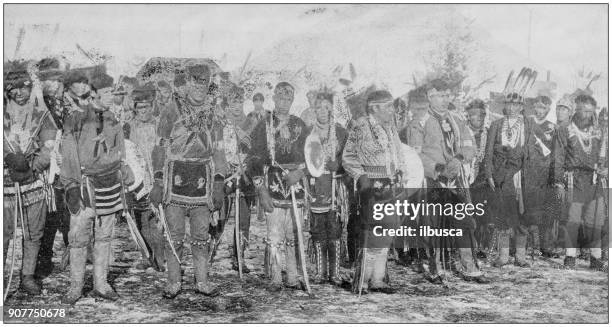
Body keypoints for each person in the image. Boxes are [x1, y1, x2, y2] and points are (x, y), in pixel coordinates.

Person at [150, 63, 227, 299]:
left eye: (204, 84)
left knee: (201, 235)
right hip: (176, 180)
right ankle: (173, 282)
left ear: (208, 86)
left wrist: (219, 183)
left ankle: (202, 281)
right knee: (174, 235)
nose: (199, 89)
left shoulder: (215, 114)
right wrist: (158, 180)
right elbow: (159, 147)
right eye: (195, 83)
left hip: (202, 182)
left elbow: (219, 151)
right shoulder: (171, 110)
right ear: (188, 84)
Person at [60, 68, 131, 304]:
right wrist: (70, 186)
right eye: (107, 91)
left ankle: (101, 283)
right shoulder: (76, 119)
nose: (112, 95)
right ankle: (75, 288)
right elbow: (69, 154)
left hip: (109, 185)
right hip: (84, 187)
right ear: (94, 93)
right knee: (79, 238)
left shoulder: (113, 119)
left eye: (113, 91)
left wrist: (122, 174)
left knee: (104, 236)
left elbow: (121, 151)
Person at [408, 79, 488, 284]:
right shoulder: (419, 122)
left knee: (464, 221)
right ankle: (435, 268)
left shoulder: (457, 120)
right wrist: (438, 168)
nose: (445, 100)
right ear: (430, 97)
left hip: (457, 178)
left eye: (447, 95)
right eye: (440, 96)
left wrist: (460, 158)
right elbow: (415, 155)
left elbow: (470, 146)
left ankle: (469, 266)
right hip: (433, 180)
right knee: (433, 224)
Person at [246, 81, 309, 292]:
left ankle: (292, 275)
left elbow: (312, 155)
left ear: (292, 100)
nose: (284, 102)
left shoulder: (300, 124)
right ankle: (275, 275)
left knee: (293, 232)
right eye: (280, 98)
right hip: (273, 182)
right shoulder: (264, 125)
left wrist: (300, 172)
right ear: (274, 99)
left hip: (296, 185)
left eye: (288, 98)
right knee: (274, 233)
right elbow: (253, 159)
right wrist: (260, 188)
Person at [342, 90, 406, 293]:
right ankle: (362, 279)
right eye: (387, 106)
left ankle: (377, 279)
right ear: (374, 108)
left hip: (391, 185)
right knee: (370, 232)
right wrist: (361, 176)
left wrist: (401, 173)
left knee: (386, 231)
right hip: (371, 186)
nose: (392, 110)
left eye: (392, 106)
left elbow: (398, 153)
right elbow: (348, 155)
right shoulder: (361, 126)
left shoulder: (391, 127)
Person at [4, 60, 57, 295]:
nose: (19, 93)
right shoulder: (2, 115)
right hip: (5, 184)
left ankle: (27, 277)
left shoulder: (41, 114)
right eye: (13, 89)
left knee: (33, 232)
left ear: (30, 87)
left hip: (33, 182)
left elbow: (50, 146)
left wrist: (34, 166)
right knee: (3, 232)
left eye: (24, 88)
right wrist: (7, 159)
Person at [552, 94, 607, 271]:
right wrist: (558, 182)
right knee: (572, 219)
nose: (587, 115)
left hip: (593, 179)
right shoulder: (565, 129)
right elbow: (558, 158)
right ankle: (570, 257)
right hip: (572, 179)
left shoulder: (599, 131)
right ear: (576, 109)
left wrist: (605, 168)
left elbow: (604, 156)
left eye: (591, 112)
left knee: (595, 219)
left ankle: (596, 258)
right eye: (584, 110)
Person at [484, 90, 534, 269]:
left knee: (521, 215)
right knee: (503, 215)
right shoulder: (497, 124)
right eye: (509, 104)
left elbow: (531, 152)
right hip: (500, 175)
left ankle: (520, 256)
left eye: (517, 105)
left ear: (522, 107)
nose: (512, 108)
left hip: (520, 175)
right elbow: (488, 151)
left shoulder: (528, 124)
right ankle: (503, 255)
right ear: (505, 106)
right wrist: (489, 174)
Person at [33, 58, 72, 278]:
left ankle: (72, 258)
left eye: (56, 79)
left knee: (67, 215)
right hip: (45, 170)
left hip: (65, 169)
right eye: (48, 79)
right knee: (47, 218)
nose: (54, 84)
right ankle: (42, 261)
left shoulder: (65, 104)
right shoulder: (38, 105)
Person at [307, 90, 348, 285]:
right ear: (314, 109)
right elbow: (304, 158)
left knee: (334, 227)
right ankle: (320, 272)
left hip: (335, 185)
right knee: (317, 228)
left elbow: (349, 156)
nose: (322, 111)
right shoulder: (309, 132)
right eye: (318, 107)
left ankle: (335, 272)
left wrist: (338, 164)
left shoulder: (340, 132)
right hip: (316, 186)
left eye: (326, 107)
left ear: (331, 109)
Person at [124, 84, 165, 271]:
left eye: (146, 107)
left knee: (158, 218)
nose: (143, 111)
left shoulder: (160, 125)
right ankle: (145, 255)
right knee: (141, 216)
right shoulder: (129, 127)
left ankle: (161, 256)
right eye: (139, 108)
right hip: (137, 178)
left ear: (152, 107)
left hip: (156, 175)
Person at [219, 84, 256, 273]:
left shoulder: (250, 122)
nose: (236, 105)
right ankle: (210, 253)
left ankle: (239, 256)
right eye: (233, 102)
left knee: (243, 218)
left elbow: (255, 149)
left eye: (239, 101)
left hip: (244, 174)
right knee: (220, 215)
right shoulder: (221, 121)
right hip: (225, 174)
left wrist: (247, 162)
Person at [523, 96, 556, 258]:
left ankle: (545, 246)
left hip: (544, 174)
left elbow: (555, 152)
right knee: (526, 209)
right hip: (527, 172)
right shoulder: (527, 122)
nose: (539, 110)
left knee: (545, 212)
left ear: (548, 110)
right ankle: (525, 246)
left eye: (543, 108)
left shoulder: (552, 127)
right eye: (537, 107)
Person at [464, 99, 493, 258]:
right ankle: (467, 246)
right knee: (467, 213)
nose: (479, 118)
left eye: (482, 115)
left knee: (483, 213)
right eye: (475, 115)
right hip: (466, 177)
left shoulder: (488, 132)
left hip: (483, 179)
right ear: (468, 116)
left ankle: (481, 246)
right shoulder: (463, 131)